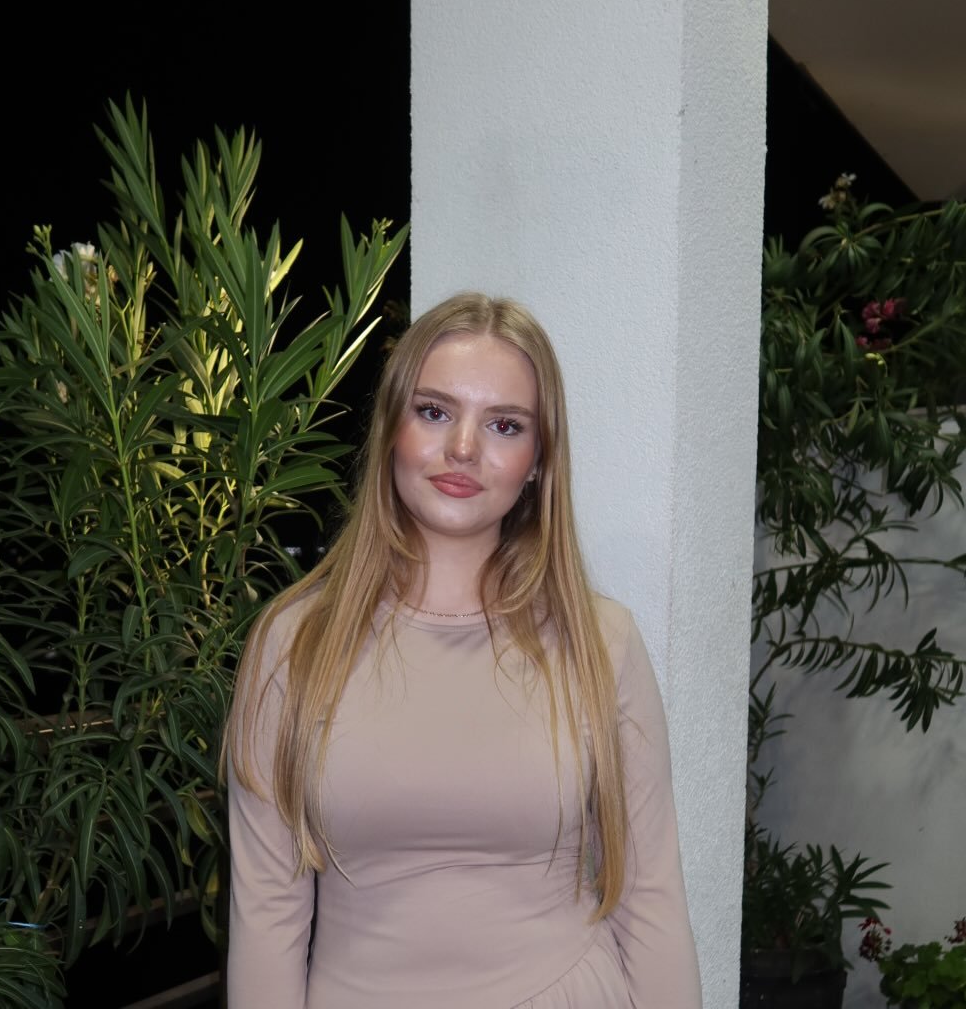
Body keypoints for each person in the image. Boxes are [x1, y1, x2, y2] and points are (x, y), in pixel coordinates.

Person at [224, 293, 701, 1008]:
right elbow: (265, 916)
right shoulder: (294, 643)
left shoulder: (602, 642)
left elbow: (651, 896)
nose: (464, 449)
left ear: (538, 461)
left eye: (505, 425)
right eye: (434, 412)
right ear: (391, 427)